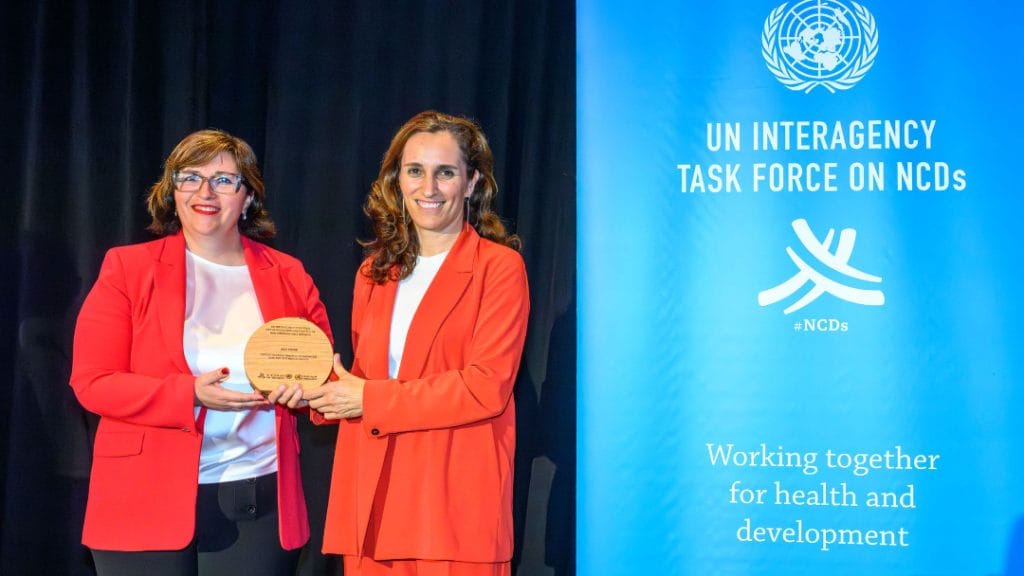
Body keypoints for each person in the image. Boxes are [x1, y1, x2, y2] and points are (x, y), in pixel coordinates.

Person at [70, 129, 331, 575]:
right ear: (172, 192)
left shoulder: (288, 274)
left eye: (224, 180)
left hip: (255, 498)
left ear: (247, 197)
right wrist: (188, 393)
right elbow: (93, 382)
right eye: (190, 178)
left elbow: (323, 377)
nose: (205, 192)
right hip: (141, 495)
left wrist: (307, 394)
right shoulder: (128, 268)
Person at [306, 111, 530, 576]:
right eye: (415, 171)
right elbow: (365, 380)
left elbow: (485, 388)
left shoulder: (500, 269)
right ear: (397, 180)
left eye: (445, 172)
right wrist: (314, 391)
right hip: (372, 502)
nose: (428, 187)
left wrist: (365, 397)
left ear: (471, 183)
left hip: (450, 508)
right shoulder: (374, 272)